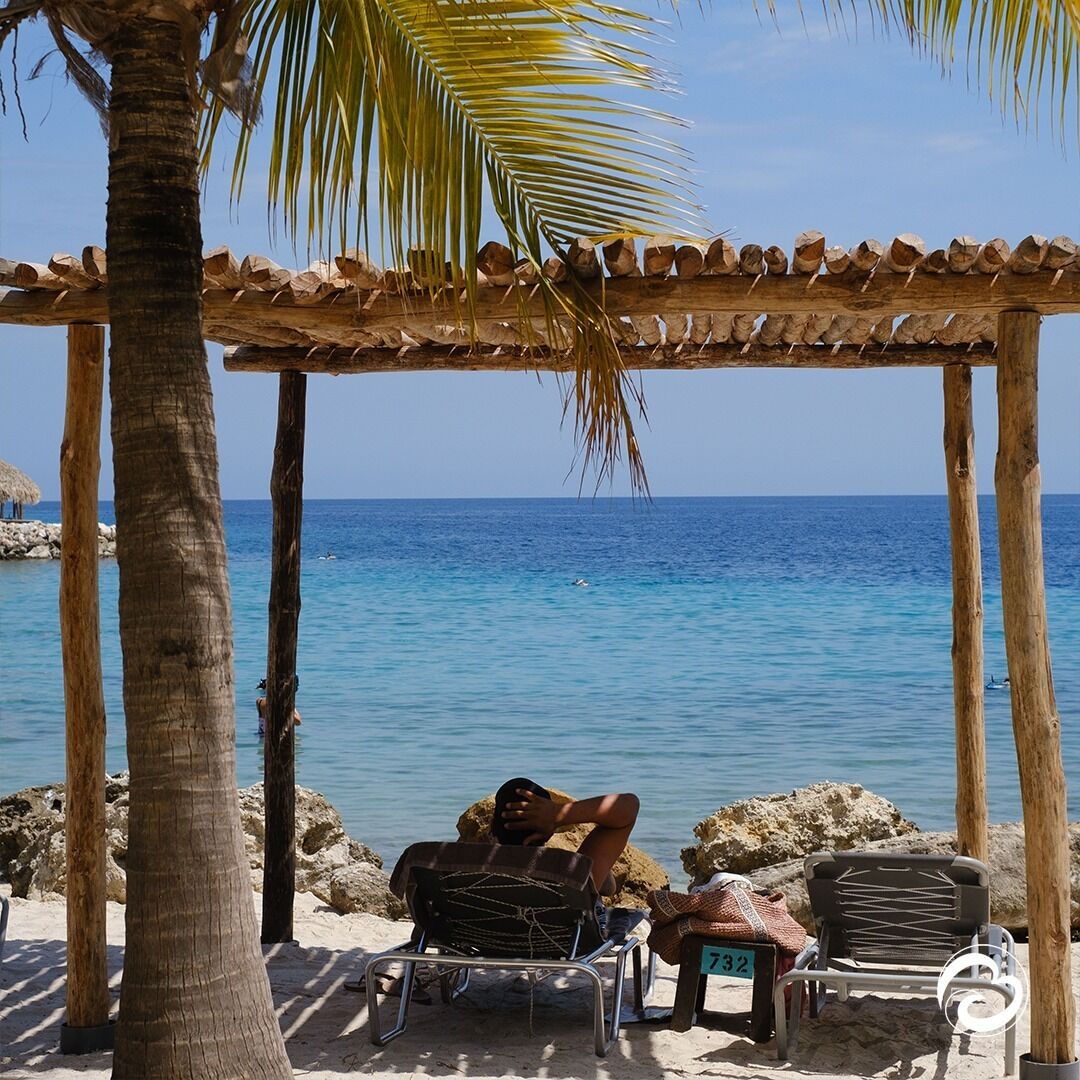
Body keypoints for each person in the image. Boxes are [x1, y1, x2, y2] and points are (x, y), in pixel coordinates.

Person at [492, 776, 639, 894]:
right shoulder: (572, 879)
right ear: (548, 834)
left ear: (492, 828)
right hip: (568, 930)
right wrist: (557, 814)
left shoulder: (476, 874)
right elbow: (630, 805)